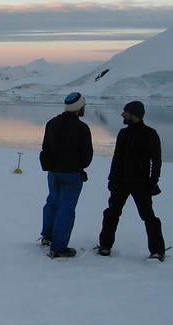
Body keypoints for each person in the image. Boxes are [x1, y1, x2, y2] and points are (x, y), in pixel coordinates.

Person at [97, 100, 166, 260]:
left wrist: (153, 181)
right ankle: (105, 246)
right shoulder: (123, 133)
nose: (122, 114)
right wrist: (111, 177)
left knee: (148, 216)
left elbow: (156, 160)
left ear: (134, 114)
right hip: (120, 181)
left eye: (125, 112)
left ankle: (157, 250)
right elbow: (117, 157)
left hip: (140, 183)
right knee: (111, 213)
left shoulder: (150, 134)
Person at [40, 92, 93, 258]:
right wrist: (80, 165)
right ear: (79, 107)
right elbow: (87, 156)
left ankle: (47, 237)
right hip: (71, 174)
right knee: (66, 208)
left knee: (52, 202)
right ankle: (59, 247)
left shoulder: (52, 123)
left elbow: (46, 146)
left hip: (53, 172)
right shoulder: (82, 128)